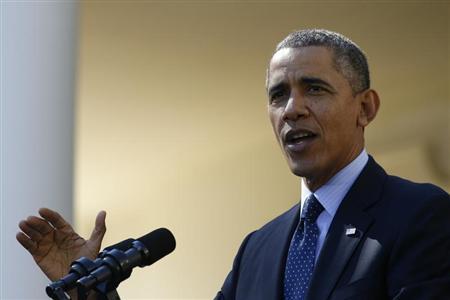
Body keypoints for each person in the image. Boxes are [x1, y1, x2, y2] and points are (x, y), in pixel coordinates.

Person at [17, 29, 450, 300]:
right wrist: (94, 294)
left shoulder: (420, 214)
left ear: (365, 108)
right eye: (278, 95)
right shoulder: (258, 248)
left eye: (314, 89)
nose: (292, 109)